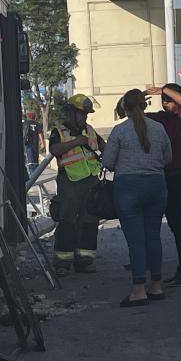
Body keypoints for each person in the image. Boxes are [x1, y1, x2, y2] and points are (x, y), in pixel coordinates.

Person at [102, 89, 172, 307]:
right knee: (153, 235)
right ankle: (157, 285)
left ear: (125, 107)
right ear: (145, 105)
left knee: (135, 240)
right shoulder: (159, 129)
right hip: (156, 185)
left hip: (128, 187)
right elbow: (167, 157)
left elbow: (108, 162)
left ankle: (138, 289)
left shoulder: (119, 131)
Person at [48, 94, 106, 277]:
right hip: (69, 183)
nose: (84, 117)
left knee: (89, 221)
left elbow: (103, 147)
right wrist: (76, 142)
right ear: (72, 112)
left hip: (91, 181)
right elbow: (54, 150)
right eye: (81, 114)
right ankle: (63, 263)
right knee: (67, 221)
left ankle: (85, 260)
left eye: (86, 114)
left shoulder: (90, 130)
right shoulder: (59, 131)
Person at [145, 83, 181, 287]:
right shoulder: (161, 118)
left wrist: (163, 90)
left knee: (179, 225)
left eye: (169, 100)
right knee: (165, 224)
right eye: (163, 101)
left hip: (180, 175)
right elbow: (134, 112)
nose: (166, 104)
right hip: (162, 175)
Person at [23, 111, 43, 176]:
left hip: (27, 143)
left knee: (30, 158)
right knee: (35, 158)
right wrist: (42, 143)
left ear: (28, 116)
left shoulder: (25, 123)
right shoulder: (37, 124)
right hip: (35, 143)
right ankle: (35, 173)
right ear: (34, 117)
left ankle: (32, 174)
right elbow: (40, 134)